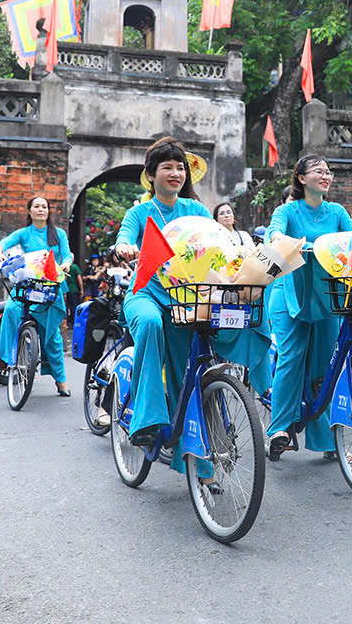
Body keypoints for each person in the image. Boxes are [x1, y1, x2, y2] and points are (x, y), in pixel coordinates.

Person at [112, 138, 213, 468]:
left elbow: (215, 241)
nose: (175, 173)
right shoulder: (139, 212)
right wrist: (126, 246)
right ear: (151, 175)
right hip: (145, 295)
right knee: (151, 324)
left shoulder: (195, 211)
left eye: (180, 167)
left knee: (193, 369)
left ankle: (200, 460)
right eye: (167, 167)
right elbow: (125, 236)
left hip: (186, 298)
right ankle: (146, 419)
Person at [265, 154, 352, 460]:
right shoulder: (287, 210)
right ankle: (280, 428)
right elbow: (273, 232)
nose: (326, 175)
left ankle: (324, 436)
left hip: (327, 291)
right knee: (292, 355)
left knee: (323, 364)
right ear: (301, 178)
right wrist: (284, 239)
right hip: (289, 289)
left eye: (328, 171)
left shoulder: (337, 211)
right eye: (319, 171)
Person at [0, 195, 74, 396]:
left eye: (44, 207)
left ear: (48, 211)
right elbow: (3, 243)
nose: (41, 210)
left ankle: (60, 380)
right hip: (28, 285)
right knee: (11, 309)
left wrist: (66, 264)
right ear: (29, 211)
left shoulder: (58, 233)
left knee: (53, 336)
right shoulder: (23, 233)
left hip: (51, 286)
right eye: (36, 206)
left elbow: (67, 254)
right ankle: (7, 358)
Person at [209, 201, 273, 396]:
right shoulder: (214, 237)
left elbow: (253, 256)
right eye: (222, 213)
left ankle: (262, 381)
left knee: (257, 317)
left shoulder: (244, 236)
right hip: (224, 288)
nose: (227, 215)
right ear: (216, 219)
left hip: (245, 287)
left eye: (229, 212)